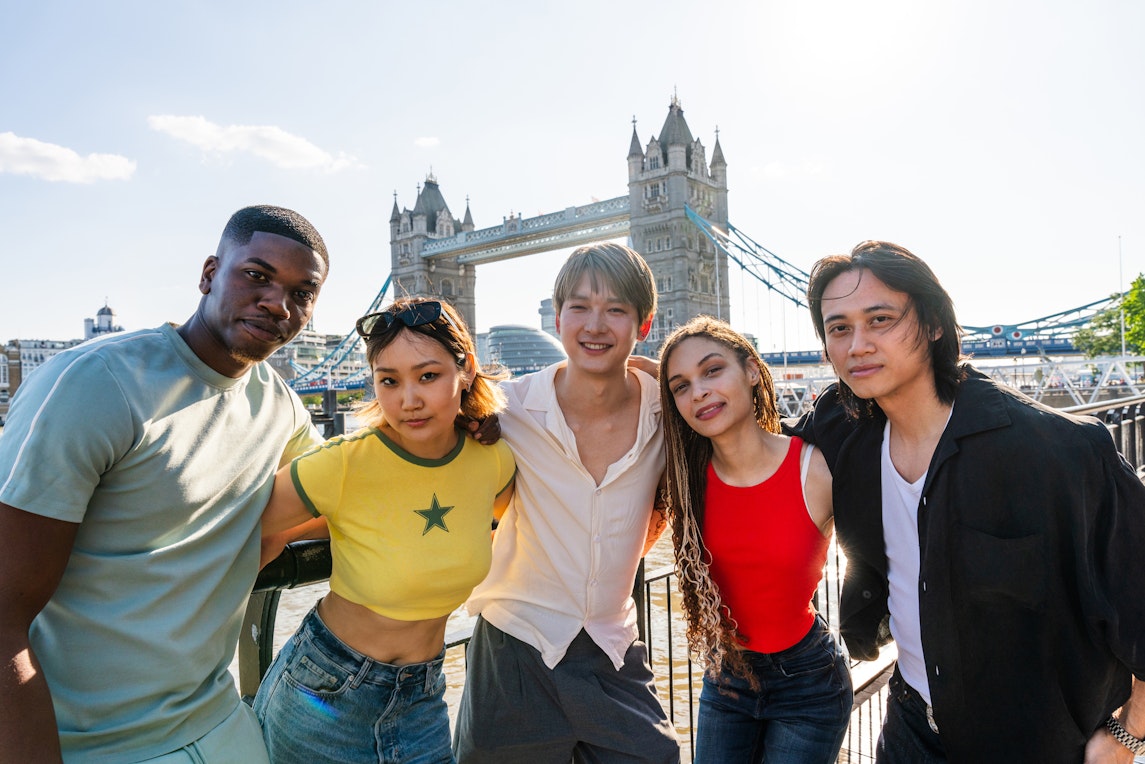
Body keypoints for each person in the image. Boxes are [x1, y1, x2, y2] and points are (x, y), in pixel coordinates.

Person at [792, 240, 1145, 762]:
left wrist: (1128, 737)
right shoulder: (845, 429)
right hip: (910, 727)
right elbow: (751, 453)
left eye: (880, 319)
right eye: (838, 328)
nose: (856, 345)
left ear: (935, 324)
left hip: (1033, 744)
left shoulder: (1060, 453)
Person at [0, 205, 330, 762]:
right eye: (256, 275)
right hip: (91, 744)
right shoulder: (95, 384)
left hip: (222, 721)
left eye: (302, 292)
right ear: (208, 274)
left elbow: (346, 497)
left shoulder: (278, 402)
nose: (278, 302)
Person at [252, 297, 516, 763]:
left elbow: (492, 518)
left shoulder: (494, 460)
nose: (408, 400)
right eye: (388, 381)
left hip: (421, 694)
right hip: (324, 688)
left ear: (467, 370)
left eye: (428, 376)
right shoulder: (343, 462)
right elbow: (238, 528)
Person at [453, 242, 679, 763]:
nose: (595, 325)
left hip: (611, 647)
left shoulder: (670, 412)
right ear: (557, 318)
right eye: (579, 306)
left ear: (642, 325)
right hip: (513, 650)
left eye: (616, 309)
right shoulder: (506, 411)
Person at [659, 315, 852, 763]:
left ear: (750, 370)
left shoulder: (815, 468)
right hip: (726, 678)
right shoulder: (685, 480)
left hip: (809, 683)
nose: (700, 392)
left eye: (712, 370)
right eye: (681, 386)